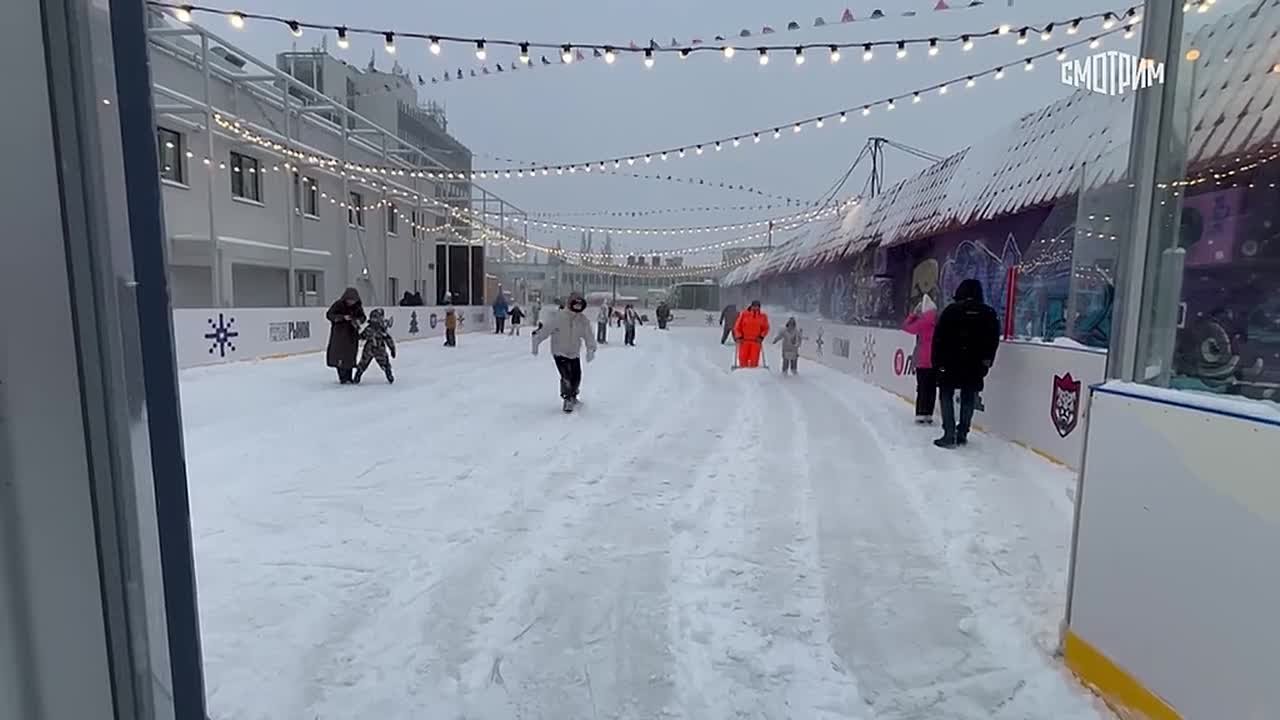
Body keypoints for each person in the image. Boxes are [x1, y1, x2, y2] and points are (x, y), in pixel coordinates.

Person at [931, 279, 1001, 448]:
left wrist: (937, 362)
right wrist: (987, 361)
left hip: (950, 361)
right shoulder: (989, 313)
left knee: (946, 393)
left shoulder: (951, 311)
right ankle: (962, 432)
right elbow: (993, 340)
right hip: (975, 363)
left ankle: (949, 434)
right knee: (968, 396)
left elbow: (939, 338)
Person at [531, 292, 598, 412]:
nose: (577, 308)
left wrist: (591, 349)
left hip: (574, 353)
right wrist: (536, 341)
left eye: (580, 305)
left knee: (576, 377)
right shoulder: (559, 317)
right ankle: (567, 399)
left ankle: (573, 396)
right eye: (575, 304)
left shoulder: (583, 320)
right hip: (559, 352)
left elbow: (589, 335)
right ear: (570, 303)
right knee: (566, 376)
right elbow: (545, 330)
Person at [903, 294, 940, 424]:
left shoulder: (922, 321)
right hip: (935, 359)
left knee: (922, 388)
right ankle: (929, 414)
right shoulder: (939, 321)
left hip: (922, 360)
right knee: (932, 389)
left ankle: (920, 414)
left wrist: (913, 315)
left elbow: (907, 327)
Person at [325, 287, 366, 384]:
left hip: (351, 335)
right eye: (349, 300)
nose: (351, 302)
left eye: (353, 300)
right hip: (339, 335)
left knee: (350, 356)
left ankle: (349, 377)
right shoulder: (338, 305)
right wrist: (342, 317)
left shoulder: (357, 306)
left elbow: (363, 317)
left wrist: (358, 321)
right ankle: (343, 377)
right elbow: (329, 315)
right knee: (339, 356)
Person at [354, 308, 396, 384]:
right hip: (369, 349)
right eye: (373, 318)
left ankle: (389, 374)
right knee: (363, 363)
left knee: (385, 363)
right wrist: (357, 334)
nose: (374, 320)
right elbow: (362, 336)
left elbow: (388, 339)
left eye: (376, 318)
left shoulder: (382, 330)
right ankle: (357, 376)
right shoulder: (369, 329)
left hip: (379, 349)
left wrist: (392, 349)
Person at [732, 300, 770, 368]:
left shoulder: (763, 316)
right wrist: (739, 336)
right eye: (754, 306)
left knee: (754, 359)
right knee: (743, 358)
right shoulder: (744, 314)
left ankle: (753, 372)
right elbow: (737, 327)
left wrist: (761, 337)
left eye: (757, 306)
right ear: (751, 306)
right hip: (744, 340)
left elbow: (766, 328)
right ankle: (743, 371)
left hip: (756, 341)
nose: (755, 308)